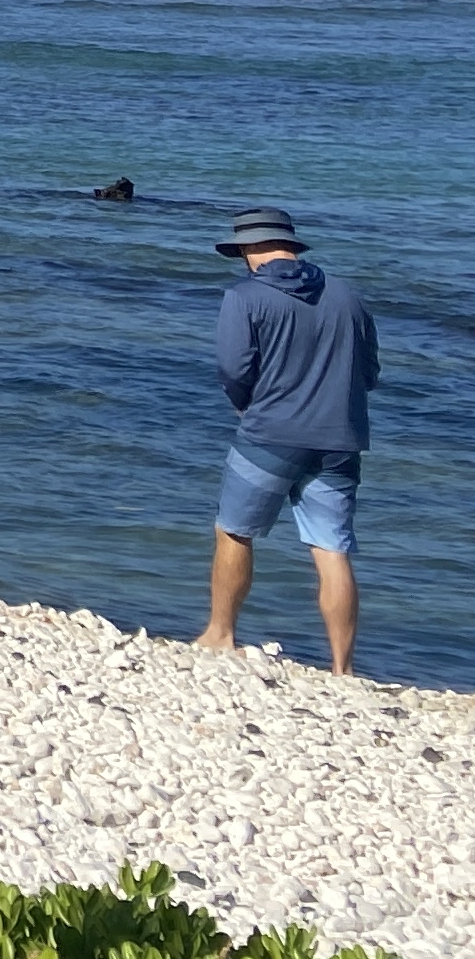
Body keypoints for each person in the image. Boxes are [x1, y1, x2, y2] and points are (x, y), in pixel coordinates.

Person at [194, 205, 376, 674]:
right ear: (292, 247)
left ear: (250, 251)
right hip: (340, 439)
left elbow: (234, 370)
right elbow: (369, 373)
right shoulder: (348, 296)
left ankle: (221, 633)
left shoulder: (245, 296)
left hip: (269, 434)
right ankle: (343, 668)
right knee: (331, 548)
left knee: (235, 531)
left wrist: (249, 406)